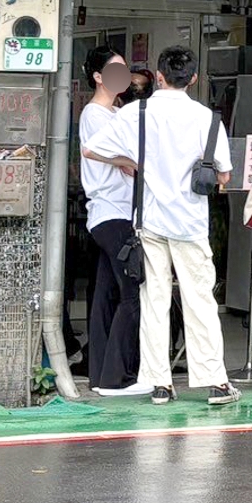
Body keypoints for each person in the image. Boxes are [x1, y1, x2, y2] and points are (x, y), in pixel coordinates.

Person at [84, 45, 239, 406]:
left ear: (159, 76)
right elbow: (224, 175)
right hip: (190, 223)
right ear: (194, 79)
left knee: (153, 299)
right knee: (198, 299)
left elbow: (90, 150)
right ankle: (215, 382)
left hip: (150, 222)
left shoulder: (136, 113)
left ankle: (160, 384)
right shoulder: (207, 118)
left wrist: (133, 162)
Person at [80, 46, 148, 396]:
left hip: (113, 213)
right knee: (131, 294)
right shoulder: (95, 113)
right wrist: (127, 160)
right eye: (115, 70)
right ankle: (121, 377)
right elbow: (111, 156)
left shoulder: (115, 111)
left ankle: (102, 376)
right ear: (98, 76)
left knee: (107, 293)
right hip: (113, 213)